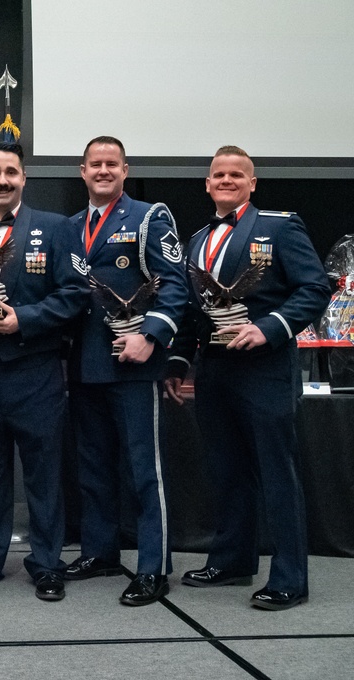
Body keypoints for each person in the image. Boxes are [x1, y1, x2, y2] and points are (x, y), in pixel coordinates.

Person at [165, 146, 331, 610]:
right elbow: (193, 313)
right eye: (218, 174)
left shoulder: (279, 226)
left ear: (252, 183)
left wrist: (269, 328)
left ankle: (290, 578)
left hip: (265, 370)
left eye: (237, 174)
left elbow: (316, 286)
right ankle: (233, 560)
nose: (227, 179)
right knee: (226, 470)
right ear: (207, 183)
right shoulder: (197, 239)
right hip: (215, 371)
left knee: (277, 473)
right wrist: (179, 363)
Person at [0, 142, 89, 601]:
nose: (2, 179)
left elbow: (74, 296)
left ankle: (47, 563)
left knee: (43, 474)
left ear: (24, 179)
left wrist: (21, 320)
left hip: (35, 372)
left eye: (11, 171)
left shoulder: (56, 229)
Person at [67, 136, 189, 606]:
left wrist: (152, 335)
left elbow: (175, 286)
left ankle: (153, 567)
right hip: (84, 364)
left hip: (134, 362)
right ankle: (99, 551)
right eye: (94, 164)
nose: (103, 170)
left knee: (144, 471)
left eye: (111, 164)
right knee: (93, 468)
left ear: (124, 169)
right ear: (82, 171)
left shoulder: (148, 217)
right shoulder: (71, 226)